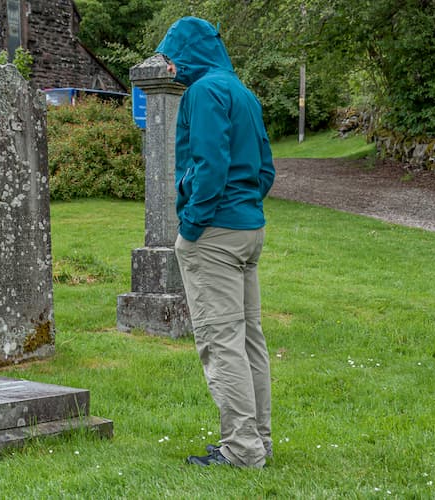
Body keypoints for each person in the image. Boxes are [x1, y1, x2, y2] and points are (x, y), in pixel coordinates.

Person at [156, 17, 276, 468]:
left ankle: (242, 450)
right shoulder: (242, 92)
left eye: (171, 58)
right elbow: (265, 169)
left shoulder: (204, 93)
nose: (169, 68)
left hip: (215, 234)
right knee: (249, 340)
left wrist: (191, 227)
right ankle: (257, 440)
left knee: (221, 340)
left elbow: (208, 166)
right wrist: (244, 210)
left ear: (188, 52)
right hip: (249, 228)